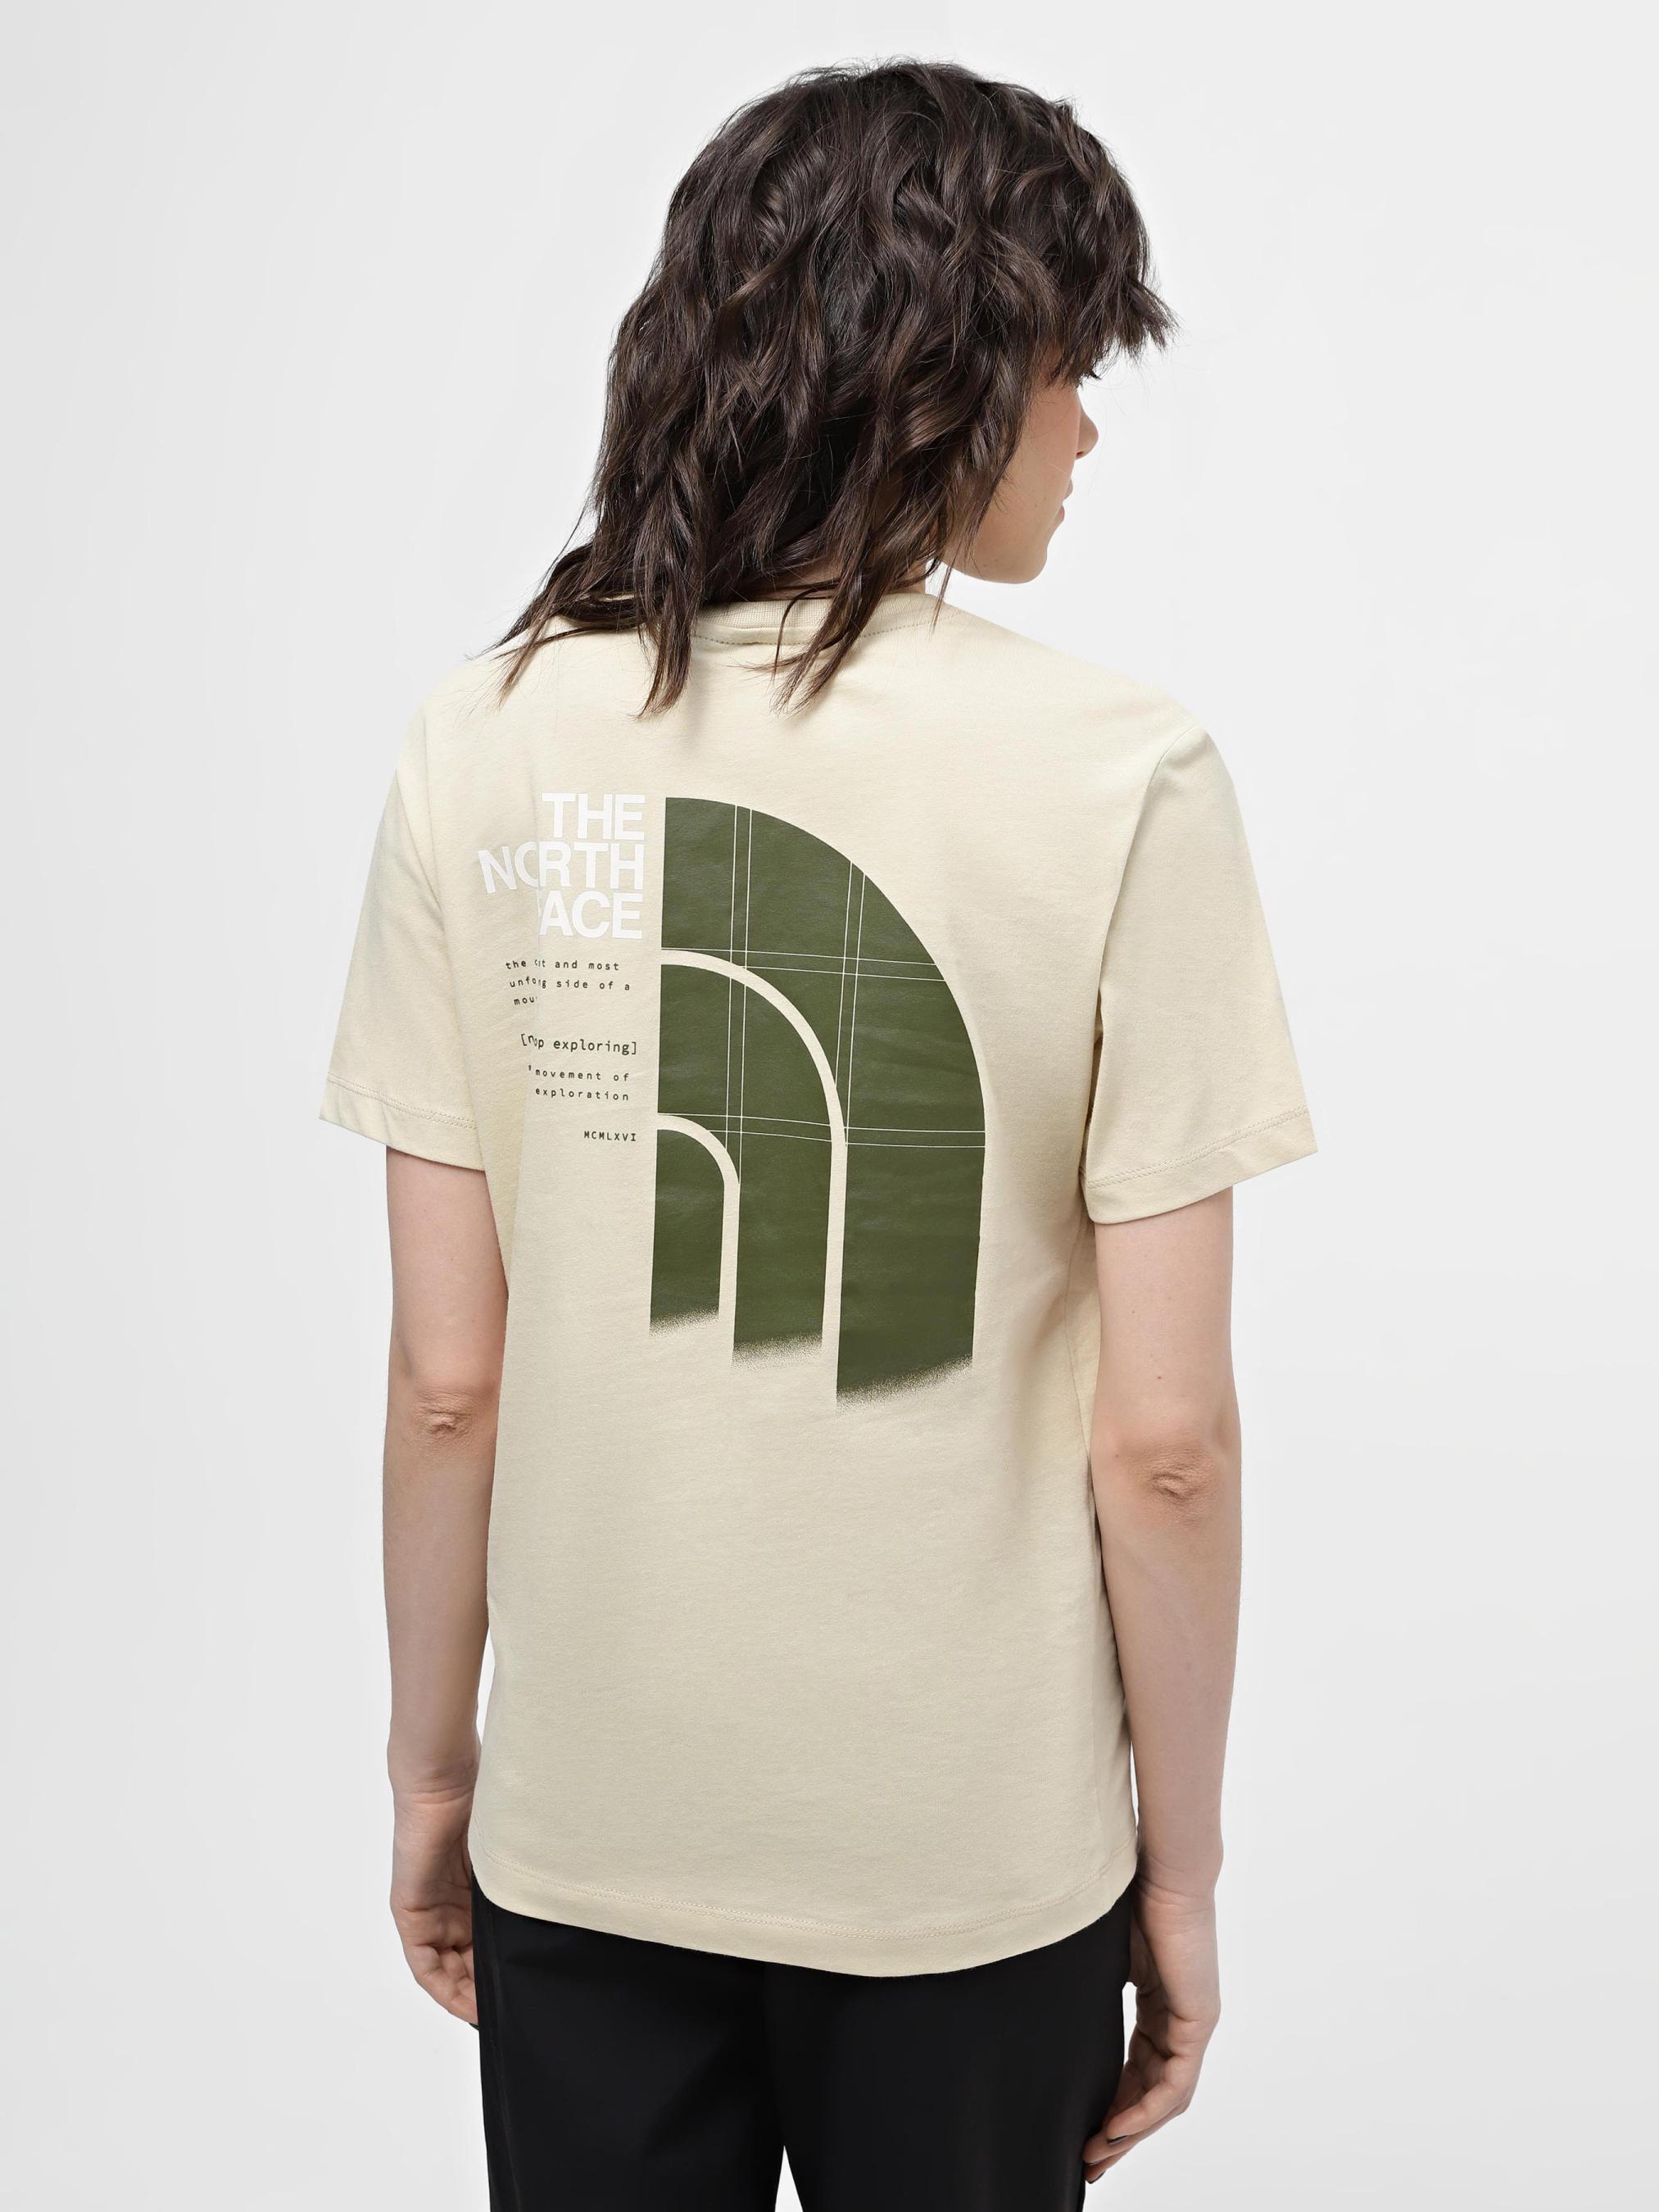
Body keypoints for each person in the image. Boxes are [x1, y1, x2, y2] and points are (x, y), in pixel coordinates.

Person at [323, 58, 1314, 2210]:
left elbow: (446, 1377)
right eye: (1063, 369)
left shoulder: (478, 745)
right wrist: (1181, 1868)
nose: (1086, 429)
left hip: (590, 1834)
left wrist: (433, 1772)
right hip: (969, 1859)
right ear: (940, 377)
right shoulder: (1120, 775)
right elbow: (1166, 1442)